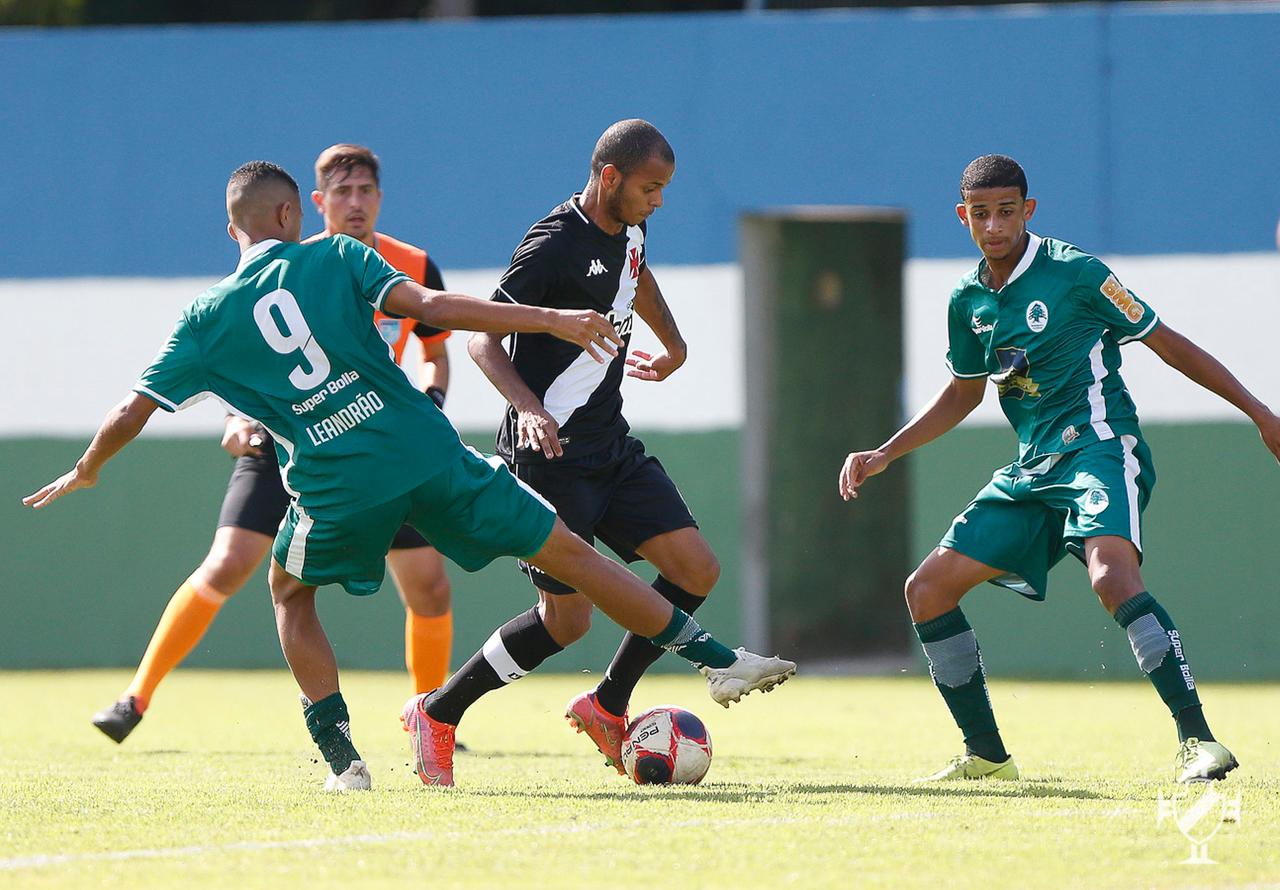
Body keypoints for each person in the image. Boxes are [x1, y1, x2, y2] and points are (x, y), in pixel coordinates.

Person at [25, 161, 795, 792]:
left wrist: (87, 469)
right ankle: (719, 660)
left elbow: (132, 409)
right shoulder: (340, 255)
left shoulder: (203, 319)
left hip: (335, 481)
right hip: (428, 452)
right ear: (294, 213)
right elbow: (432, 308)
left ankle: (345, 763)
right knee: (571, 555)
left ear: (235, 230)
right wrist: (551, 319)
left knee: (290, 593)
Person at [838, 154, 1280, 784]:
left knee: (1111, 577)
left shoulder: (1077, 273)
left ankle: (1199, 742)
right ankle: (987, 756)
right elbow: (963, 392)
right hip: (1032, 470)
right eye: (981, 214)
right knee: (927, 590)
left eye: (1007, 211)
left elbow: (1169, 343)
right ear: (963, 217)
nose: (995, 225)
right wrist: (885, 451)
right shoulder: (967, 299)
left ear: (1029, 210)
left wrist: (1260, 413)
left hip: (1099, 447)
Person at [88, 144, 457, 745]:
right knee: (229, 563)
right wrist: (236, 417)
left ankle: (432, 716)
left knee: (429, 584)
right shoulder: (292, 265)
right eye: (342, 192)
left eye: (365, 191)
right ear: (313, 205)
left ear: (381, 198)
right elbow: (243, 349)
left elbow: (435, 353)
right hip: (286, 441)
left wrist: (429, 400)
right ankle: (135, 697)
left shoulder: (412, 264)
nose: (356, 203)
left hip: (374, 444)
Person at [439, 118, 729, 777]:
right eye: (651, 188)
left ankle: (607, 704)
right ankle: (440, 711)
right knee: (566, 623)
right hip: (548, 457)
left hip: (610, 445)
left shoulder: (632, 226)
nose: (659, 201)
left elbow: (636, 274)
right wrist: (528, 408)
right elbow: (482, 338)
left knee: (696, 569)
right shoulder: (552, 244)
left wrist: (675, 344)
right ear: (610, 177)